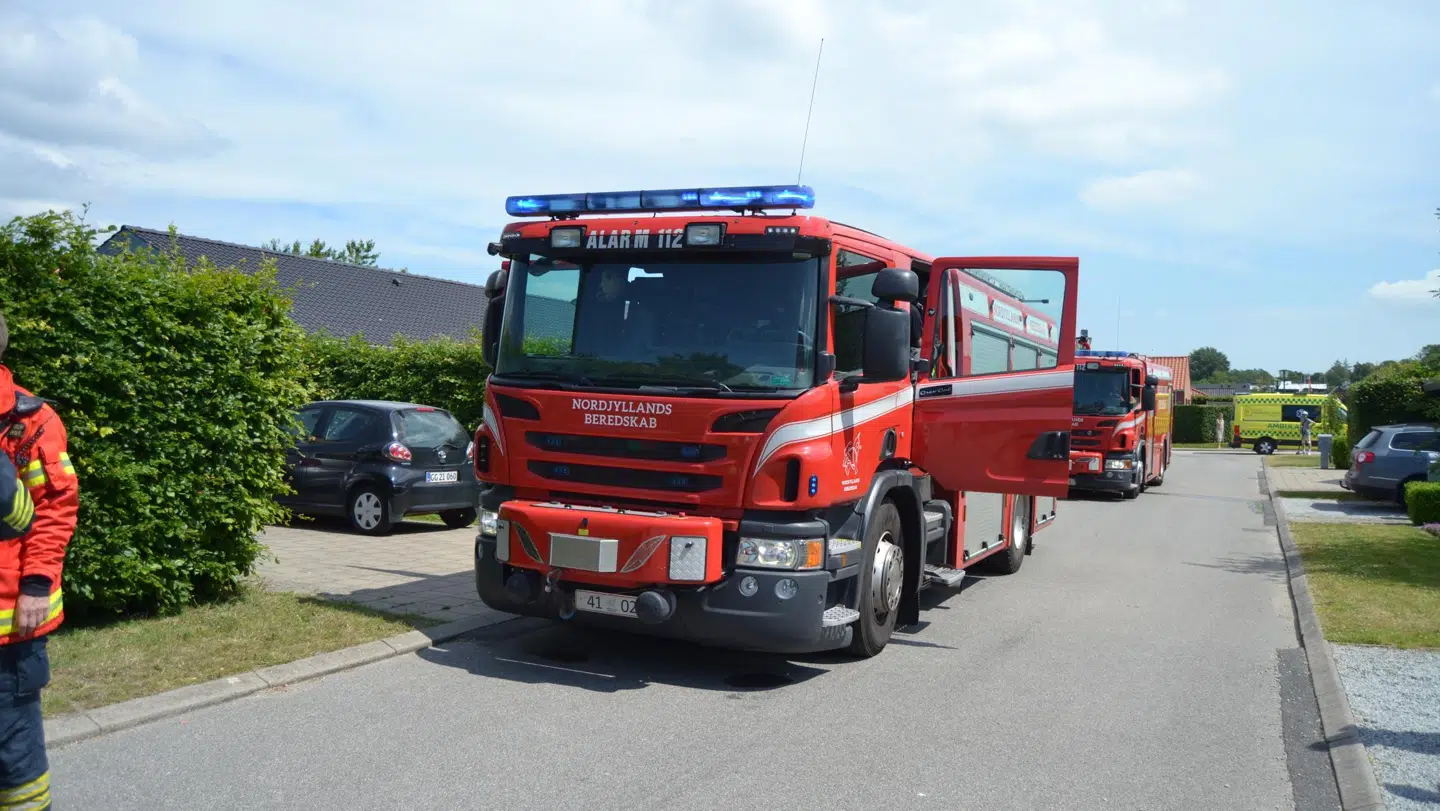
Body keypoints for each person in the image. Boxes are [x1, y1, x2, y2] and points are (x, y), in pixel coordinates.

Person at [0, 311, 78, 811]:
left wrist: (36, 584)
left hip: (9, 625)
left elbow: (55, 508)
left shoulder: (32, 420)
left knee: (16, 759)